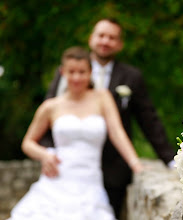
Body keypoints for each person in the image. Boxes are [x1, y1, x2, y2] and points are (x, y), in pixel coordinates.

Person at [42, 18, 176, 218]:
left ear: (120, 44)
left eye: (112, 37)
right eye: (101, 35)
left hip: (115, 169)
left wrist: (170, 160)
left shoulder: (132, 77)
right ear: (91, 39)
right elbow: (49, 117)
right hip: (67, 168)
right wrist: (48, 152)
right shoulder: (68, 72)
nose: (105, 41)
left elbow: (149, 120)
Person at [8, 46, 143, 220]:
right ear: (62, 72)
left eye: (82, 72)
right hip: (57, 179)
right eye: (71, 72)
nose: (77, 77)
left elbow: (117, 133)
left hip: (90, 183)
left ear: (90, 72)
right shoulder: (51, 106)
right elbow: (27, 142)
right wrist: (44, 155)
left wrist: (136, 165)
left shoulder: (103, 98)